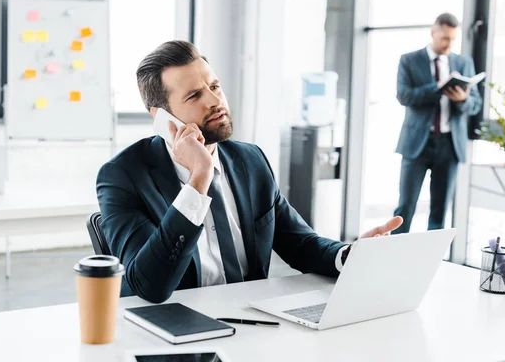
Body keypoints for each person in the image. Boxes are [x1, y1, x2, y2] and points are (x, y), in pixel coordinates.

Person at [97, 40, 403, 303]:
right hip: (172, 330)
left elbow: (299, 243)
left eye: (214, 87)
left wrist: (349, 255)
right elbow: (150, 286)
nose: (216, 101)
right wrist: (199, 179)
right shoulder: (123, 176)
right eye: (194, 96)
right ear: (161, 116)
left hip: (250, 319)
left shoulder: (250, 160)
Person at [392, 13, 482, 234]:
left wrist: (462, 100)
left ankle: (430, 262)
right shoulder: (409, 60)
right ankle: (391, 256)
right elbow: (404, 96)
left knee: (440, 210)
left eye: (452, 39)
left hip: (449, 145)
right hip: (417, 144)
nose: (448, 44)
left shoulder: (463, 62)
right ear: (433, 33)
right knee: (405, 206)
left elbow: (475, 104)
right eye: (444, 38)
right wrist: (437, 87)